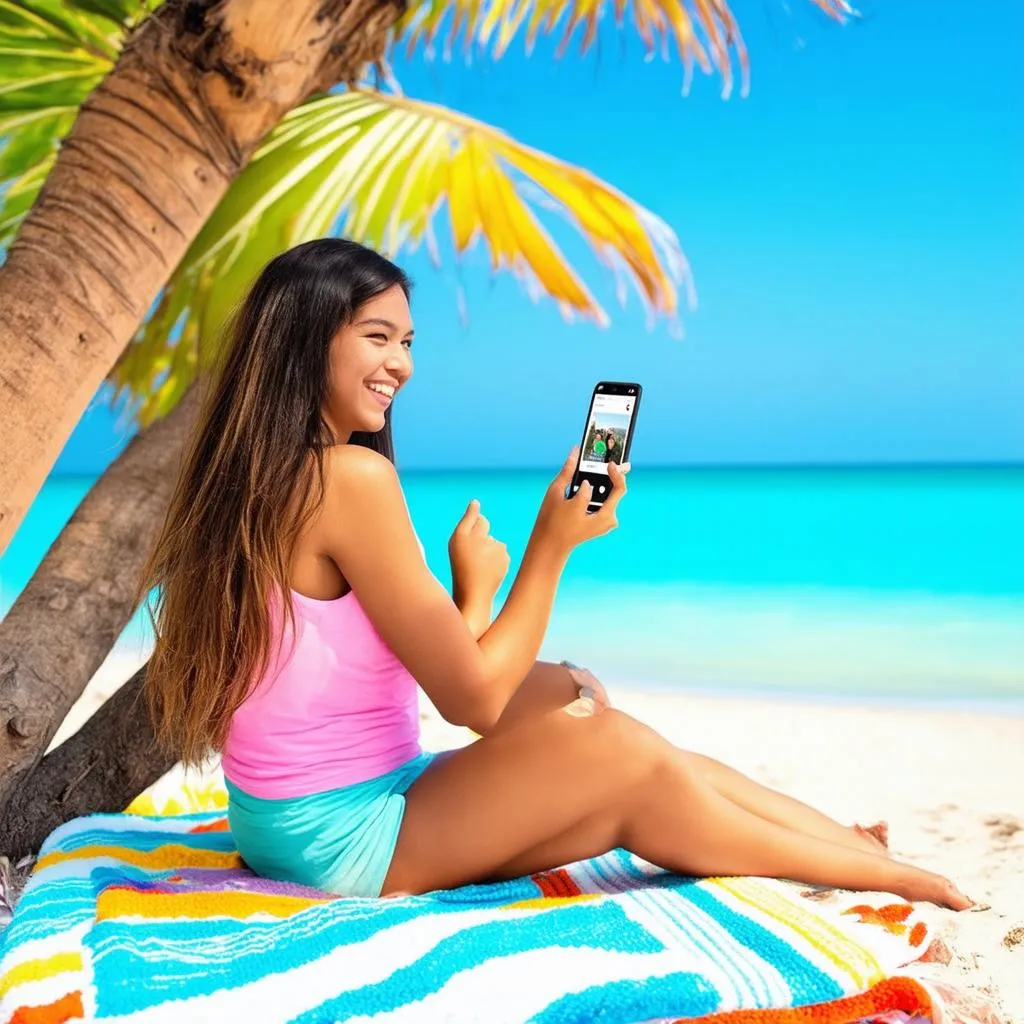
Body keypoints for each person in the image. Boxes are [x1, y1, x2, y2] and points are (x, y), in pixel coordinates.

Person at [139, 238, 973, 910]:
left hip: (291, 815)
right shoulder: (348, 479)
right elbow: (470, 704)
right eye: (377, 337)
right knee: (611, 743)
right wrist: (551, 544)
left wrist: (473, 595)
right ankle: (876, 874)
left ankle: (844, 845)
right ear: (304, 341)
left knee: (592, 716)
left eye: (408, 342)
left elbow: (378, 672)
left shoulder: (265, 478)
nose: (403, 364)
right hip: (344, 833)